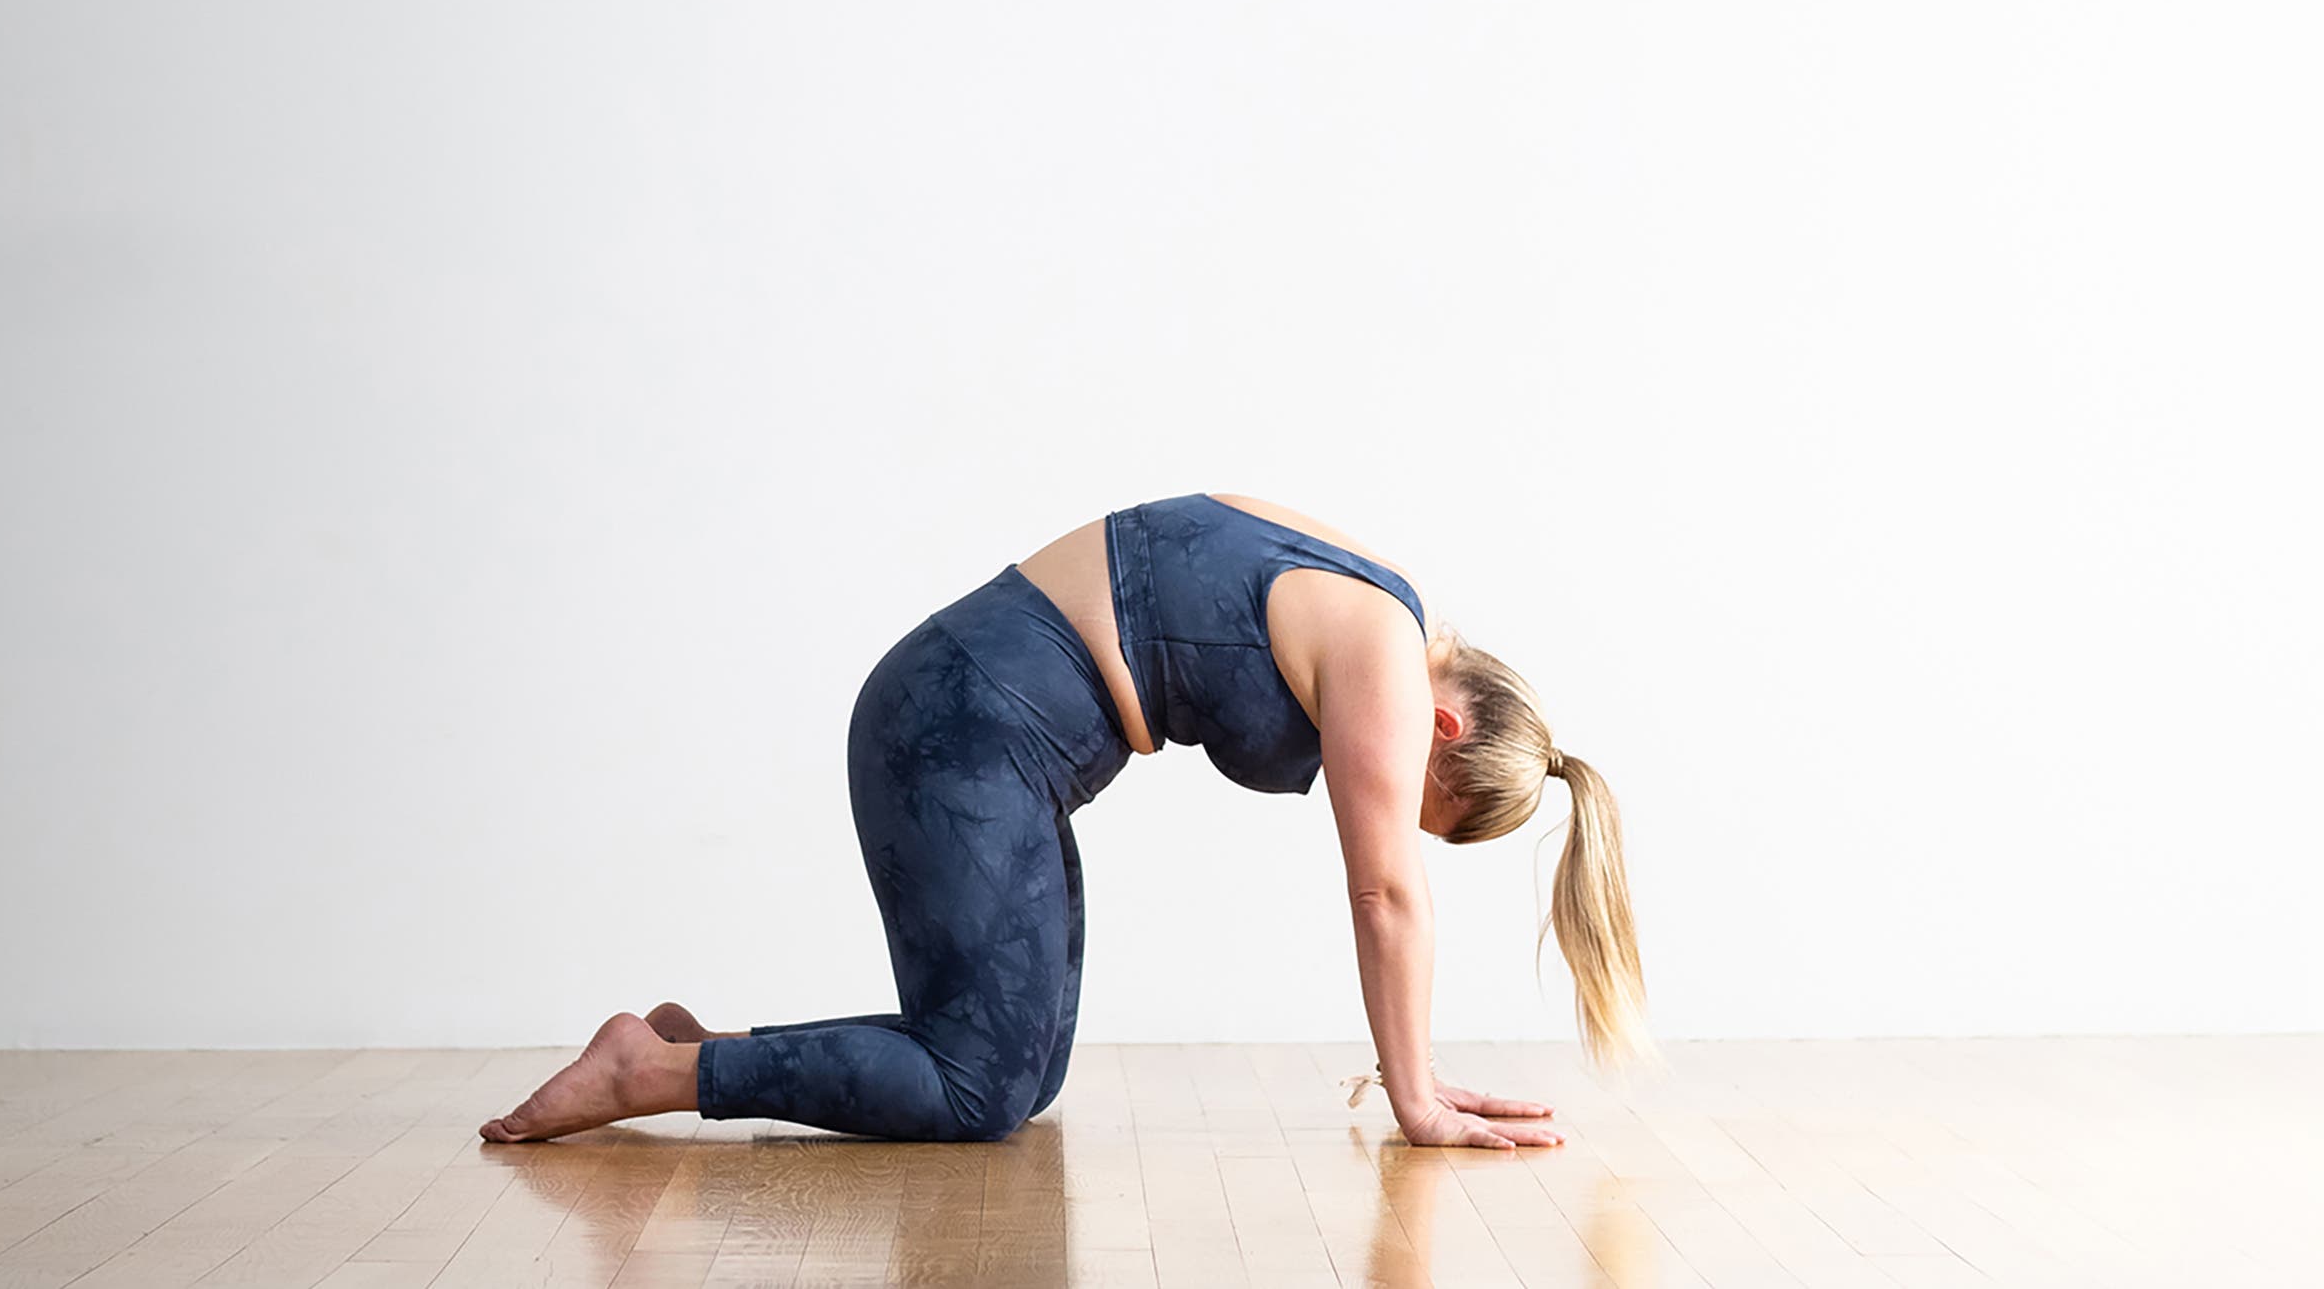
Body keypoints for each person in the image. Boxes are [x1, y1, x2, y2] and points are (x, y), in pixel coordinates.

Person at [478, 491, 1651, 1149]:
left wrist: (1419, 1075)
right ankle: (650, 1073)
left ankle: (697, 1047)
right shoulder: (1386, 659)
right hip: (959, 730)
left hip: (995, 746)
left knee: (1021, 1077)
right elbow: (1385, 892)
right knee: (980, 1088)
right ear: (1444, 731)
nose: (1396, 812)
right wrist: (1417, 1096)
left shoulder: (1376, 595)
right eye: (1430, 810)